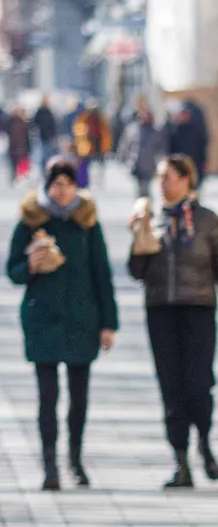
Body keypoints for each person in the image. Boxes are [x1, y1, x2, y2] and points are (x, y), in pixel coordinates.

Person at [128, 154, 218, 487]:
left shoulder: (208, 221)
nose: (161, 183)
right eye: (159, 177)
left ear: (186, 179)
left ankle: (204, 442)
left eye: (167, 176)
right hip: (160, 311)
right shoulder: (151, 219)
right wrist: (138, 237)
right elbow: (136, 272)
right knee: (170, 387)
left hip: (198, 310)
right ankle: (180, 461)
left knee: (199, 384)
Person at [8, 158, 117, 489]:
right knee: (47, 396)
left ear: (76, 187)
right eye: (56, 184)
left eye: (68, 184)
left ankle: (76, 459)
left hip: (82, 317)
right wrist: (31, 264)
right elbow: (12, 270)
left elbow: (102, 272)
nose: (62, 190)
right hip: (43, 317)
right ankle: (49, 464)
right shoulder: (31, 220)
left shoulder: (86, 221)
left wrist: (108, 323)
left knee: (79, 395)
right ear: (47, 186)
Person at [120, 103, 167, 190]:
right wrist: (123, 157)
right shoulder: (133, 129)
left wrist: (161, 162)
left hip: (149, 164)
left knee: (145, 187)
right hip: (135, 162)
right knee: (138, 187)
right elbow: (125, 144)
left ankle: (145, 201)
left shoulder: (156, 131)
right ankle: (141, 201)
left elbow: (161, 148)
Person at [166, 102, 210, 181]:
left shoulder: (195, 130)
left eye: (186, 114)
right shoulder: (175, 131)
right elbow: (171, 148)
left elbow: (201, 146)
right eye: (182, 114)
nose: (184, 117)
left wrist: (204, 161)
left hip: (195, 162)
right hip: (181, 164)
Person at [32, 97, 60, 173]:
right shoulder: (39, 112)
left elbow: (54, 125)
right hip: (42, 138)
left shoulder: (50, 112)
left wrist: (54, 137)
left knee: (49, 157)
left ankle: (48, 172)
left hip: (49, 138)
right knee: (42, 157)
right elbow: (34, 124)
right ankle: (43, 172)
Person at [6, 105, 29, 182]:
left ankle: (17, 177)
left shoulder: (20, 121)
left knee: (18, 163)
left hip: (19, 146)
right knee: (15, 163)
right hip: (16, 146)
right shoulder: (15, 121)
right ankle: (15, 178)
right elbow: (15, 135)